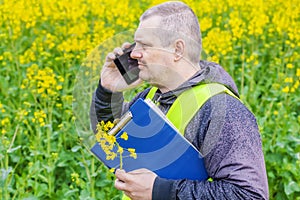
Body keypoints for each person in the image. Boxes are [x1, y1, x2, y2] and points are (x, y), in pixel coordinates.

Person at [90, 1, 269, 199]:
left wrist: (160, 191)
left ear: (177, 50)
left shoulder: (223, 111)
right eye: (135, 44)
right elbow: (111, 140)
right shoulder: (150, 97)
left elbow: (250, 195)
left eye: (145, 45)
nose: (133, 54)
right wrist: (108, 91)